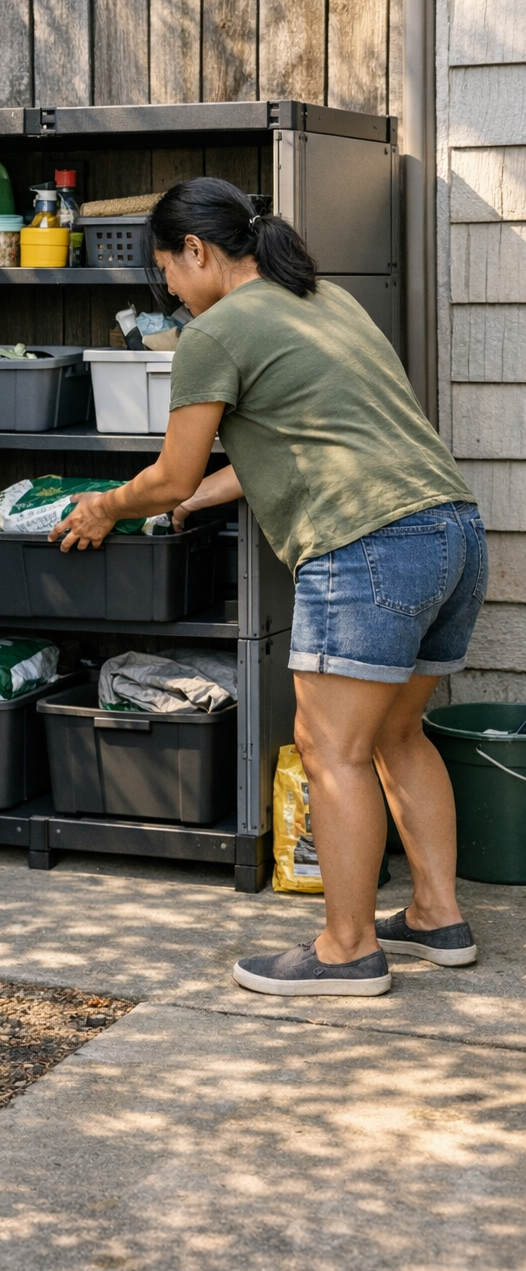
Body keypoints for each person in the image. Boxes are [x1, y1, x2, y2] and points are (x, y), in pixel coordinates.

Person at [50, 178, 485, 997]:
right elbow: (308, 439)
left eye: (166, 274)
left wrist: (105, 507)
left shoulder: (216, 332)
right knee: (398, 736)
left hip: (366, 548)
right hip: (451, 531)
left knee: (332, 752)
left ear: (197, 252)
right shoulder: (323, 300)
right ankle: (437, 915)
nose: (170, 294)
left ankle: (347, 949)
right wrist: (207, 493)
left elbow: (172, 475)